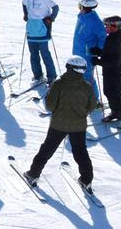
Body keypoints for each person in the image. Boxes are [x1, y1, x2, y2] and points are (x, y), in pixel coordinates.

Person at [23, 56, 96, 191]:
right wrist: (81, 113)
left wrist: (59, 110)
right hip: (78, 126)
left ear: (68, 68)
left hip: (58, 124)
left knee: (47, 149)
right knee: (80, 152)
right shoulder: (87, 87)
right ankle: (87, 180)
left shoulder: (59, 84)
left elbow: (50, 105)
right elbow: (92, 106)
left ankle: (33, 174)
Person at [90, 16, 121, 128]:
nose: (105, 27)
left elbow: (114, 61)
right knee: (108, 92)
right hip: (109, 71)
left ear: (114, 27)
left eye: (107, 25)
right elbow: (108, 53)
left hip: (115, 72)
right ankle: (116, 113)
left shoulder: (117, 40)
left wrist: (99, 62)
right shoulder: (112, 37)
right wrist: (99, 52)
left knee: (116, 95)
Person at [22, 0, 59, 83]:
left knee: (45, 54)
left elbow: (55, 7)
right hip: (31, 31)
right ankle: (37, 75)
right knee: (33, 55)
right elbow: (24, 4)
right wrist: (25, 14)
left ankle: (52, 76)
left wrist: (52, 18)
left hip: (42, 30)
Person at [72, 0, 105, 103]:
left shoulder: (95, 21)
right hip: (78, 52)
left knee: (87, 77)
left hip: (87, 55)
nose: (79, 8)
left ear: (85, 7)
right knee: (79, 76)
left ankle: (95, 101)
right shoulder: (82, 17)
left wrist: (98, 50)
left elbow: (103, 37)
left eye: (80, 6)